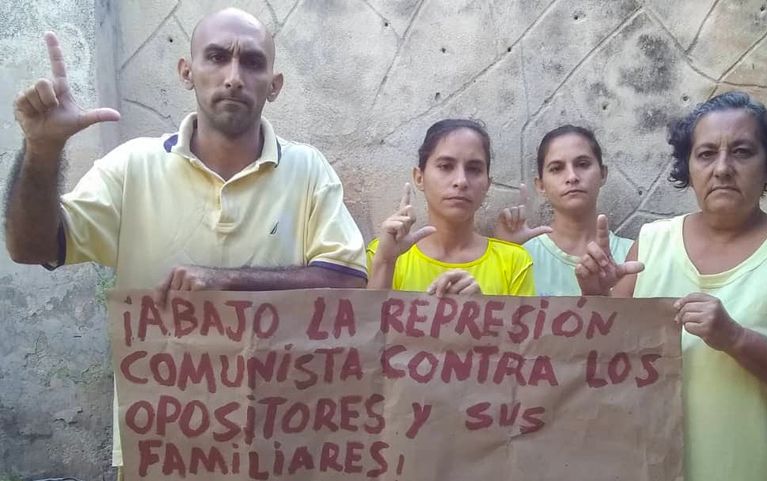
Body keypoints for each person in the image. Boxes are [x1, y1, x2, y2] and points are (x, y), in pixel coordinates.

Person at [6, 8, 367, 471]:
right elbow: (31, 246)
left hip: (281, 445)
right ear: (186, 71)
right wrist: (42, 149)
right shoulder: (132, 165)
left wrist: (226, 282)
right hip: (162, 445)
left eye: (252, 63)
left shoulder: (307, 169)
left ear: (274, 85)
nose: (233, 77)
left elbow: (347, 283)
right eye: (216, 57)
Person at [575, 91, 767, 481]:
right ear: (688, 168)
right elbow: (604, 360)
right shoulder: (652, 243)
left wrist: (736, 339)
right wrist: (596, 298)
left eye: (741, 152)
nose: (722, 168)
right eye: (706, 154)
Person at [366, 119, 535, 296]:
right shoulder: (386, 251)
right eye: (446, 166)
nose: (461, 181)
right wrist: (385, 262)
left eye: (474, 169)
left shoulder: (514, 261)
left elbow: (525, 324)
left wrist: (482, 311)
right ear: (419, 177)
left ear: (487, 183)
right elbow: (366, 322)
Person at [495, 125, 633, 295]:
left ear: (603, 174)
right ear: (540, 185)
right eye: (556, 168)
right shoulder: (522, 254)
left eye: (583, 164)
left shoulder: (633, 255)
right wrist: (502, 252)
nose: (572, 177)